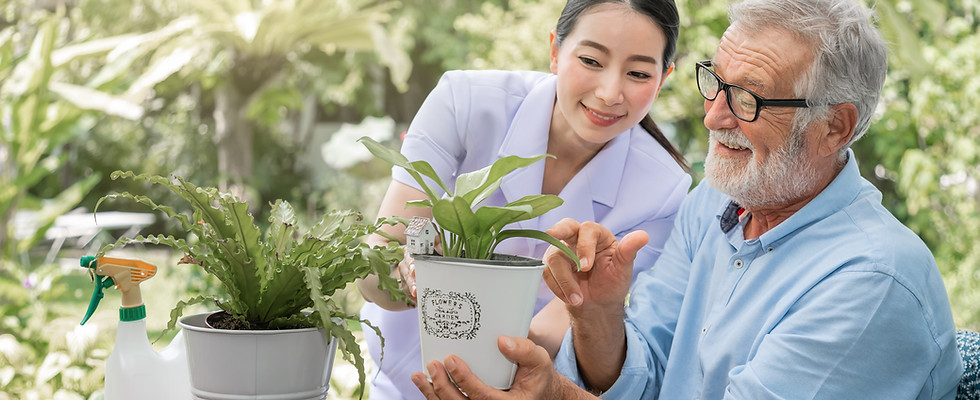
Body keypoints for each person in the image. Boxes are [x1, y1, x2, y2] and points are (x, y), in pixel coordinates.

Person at [413, 0, 965, 399]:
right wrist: (600, 313)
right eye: (715, 83)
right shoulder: (717, 202)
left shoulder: (871, 282)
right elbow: (645, 375)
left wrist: (554, 395)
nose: (714, 115)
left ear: (834, 128)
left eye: (747, 99)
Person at [355, 0, 693, 398]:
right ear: (554, 51)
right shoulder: (465, 102)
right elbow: (377, 260)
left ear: (664, 76)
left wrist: (477, 357)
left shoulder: (663, 189)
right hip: (400, 377)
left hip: (514, 383)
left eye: (638, 73)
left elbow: (562, 324)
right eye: (590, 60)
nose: (609, 93)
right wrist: (415, 279)